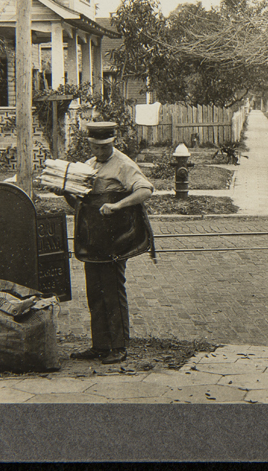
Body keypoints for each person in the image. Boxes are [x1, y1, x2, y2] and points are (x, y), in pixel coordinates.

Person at [59, 121, 153, 364]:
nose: (100, 152)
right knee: (95, 291)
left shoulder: (123, 164)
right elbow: (82, 206)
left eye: (104, 147)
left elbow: (145, 190)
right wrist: (66, 192)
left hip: (115, 238)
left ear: (113, 142)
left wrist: (118, 205)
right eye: (95, 147)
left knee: (112, 290)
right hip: (93, 238)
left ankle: (119, 347)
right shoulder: (89, 166)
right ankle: (100, 345)